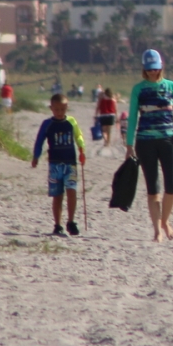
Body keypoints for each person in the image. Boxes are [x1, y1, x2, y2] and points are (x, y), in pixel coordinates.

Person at [124, 49, 173, 242]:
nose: (153, 72)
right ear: (144, 69)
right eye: (149, 69)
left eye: (156, 69)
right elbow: (132, 117)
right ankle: (157, 229)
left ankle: (165, 221)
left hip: (169, 140)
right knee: (153, 188)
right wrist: (129, 144)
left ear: (161, 67)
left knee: (172, 186)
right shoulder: (138, 89)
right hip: (145, 141)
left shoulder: (171, 87)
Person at [30, 93, 87, 237]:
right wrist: (36, 156)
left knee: (72, 191)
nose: (60, 113)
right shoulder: (47, 124)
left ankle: (71, 221)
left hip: (71, 163)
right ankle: (57, 224)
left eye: (62, 109)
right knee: (57, 195)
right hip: (54, 164)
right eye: (56, 110)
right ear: (51, 108)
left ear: (67, 107)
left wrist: (81, 148)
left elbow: (78, 135)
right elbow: (39, 141)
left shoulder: (71, 122)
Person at [95, 86, 117, 152]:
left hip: (103, 115)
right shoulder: (113, 99)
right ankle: (108, 143)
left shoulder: (101, 99)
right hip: (111, 115)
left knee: (104, 131)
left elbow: (98, 107)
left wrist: (96, 115)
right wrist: (117, 116)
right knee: (109, 131)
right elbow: (115, 109)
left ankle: (105, 141)